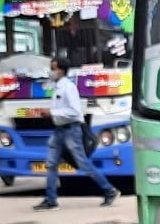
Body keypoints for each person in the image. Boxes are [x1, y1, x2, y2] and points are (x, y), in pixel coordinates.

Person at [33, 56, 118, 211]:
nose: (51, 72)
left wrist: (51, 112)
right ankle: (51, 200)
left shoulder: (68, 87)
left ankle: (109, 190)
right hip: (59, 130)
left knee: (83, 164)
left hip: (71, 130)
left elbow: (74, 111)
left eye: (54, 68)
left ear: (61, 71)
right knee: (51, 164)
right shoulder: (57, 87)